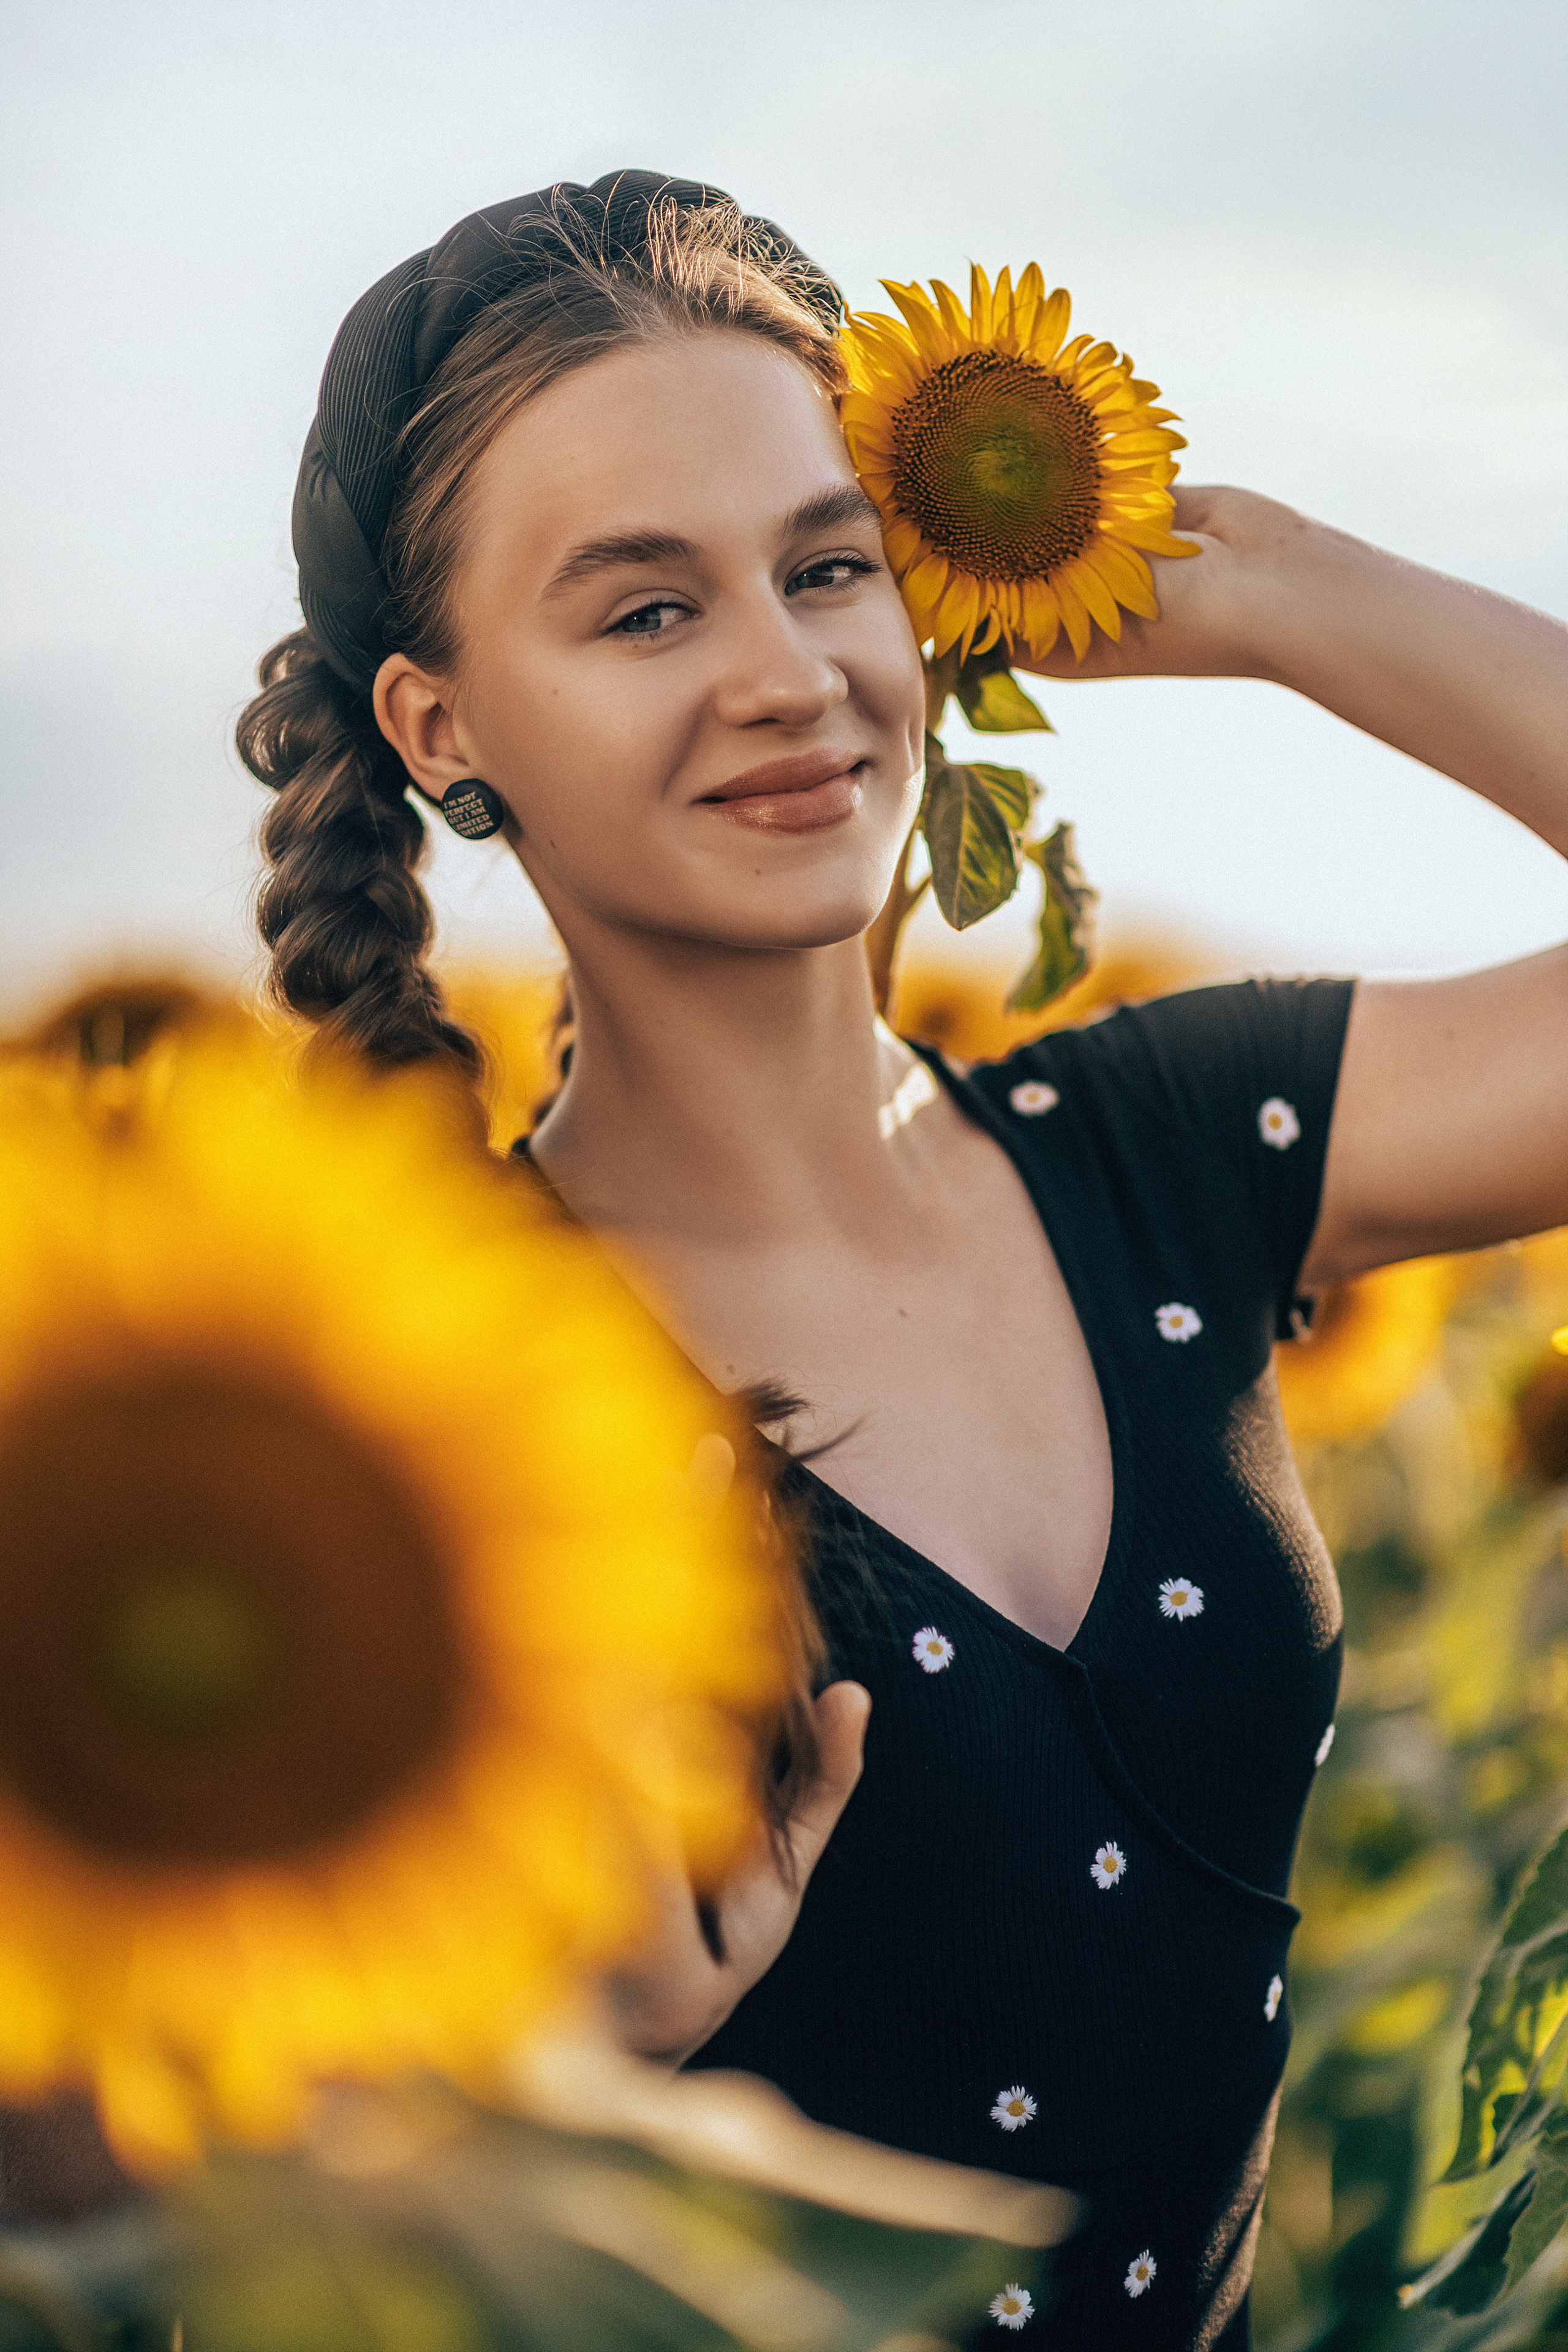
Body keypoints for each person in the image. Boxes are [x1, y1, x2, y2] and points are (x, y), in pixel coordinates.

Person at [238, 172, 1568, 2348]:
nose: (786, 675)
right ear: (436, 728)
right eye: (645, 610)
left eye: (827, 566)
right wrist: (523, 2099)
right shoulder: (417, 1408)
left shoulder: (1170, 1151)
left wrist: (1282, 592)